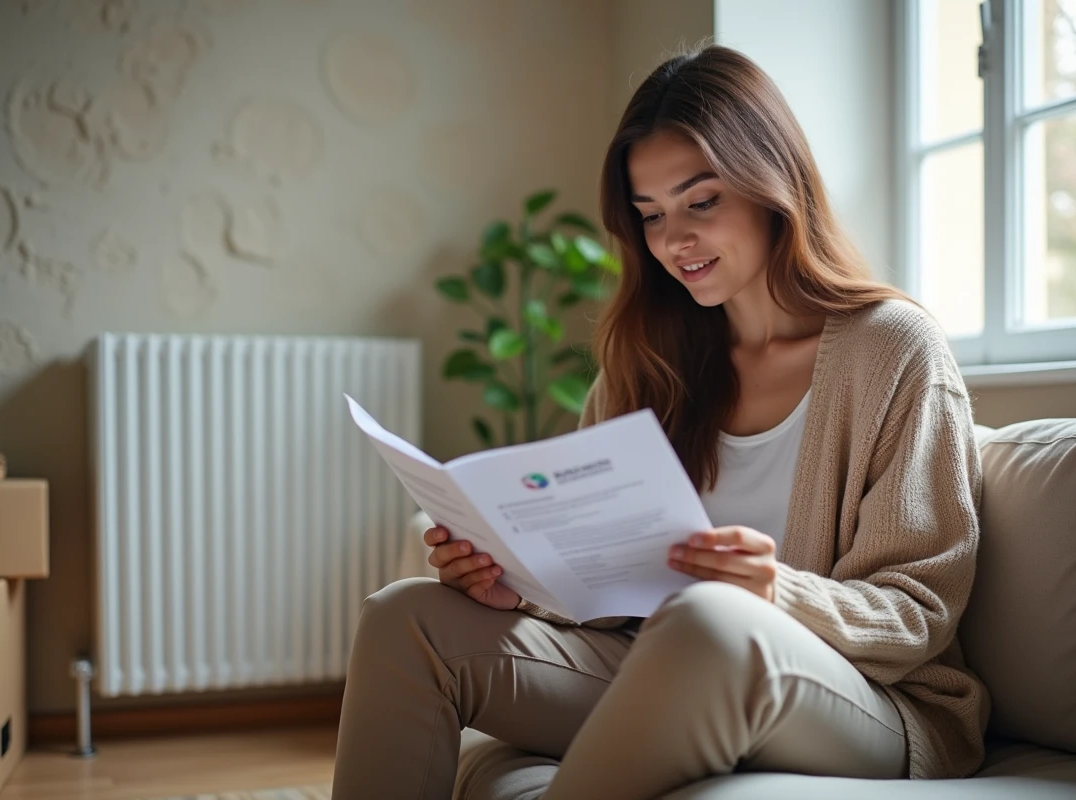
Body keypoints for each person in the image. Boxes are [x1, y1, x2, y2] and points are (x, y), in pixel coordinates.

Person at [332, 44, 989, 800]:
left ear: (772, 183)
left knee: (711, 620)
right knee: (403, 617)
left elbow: (919, 611)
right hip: (660, 667)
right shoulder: (645, 359)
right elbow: (599, 571)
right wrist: (515, 583)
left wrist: (775, 591)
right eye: (651, 215)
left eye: (701, 201)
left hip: (867, 704)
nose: (674, 240)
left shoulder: (892, 349)